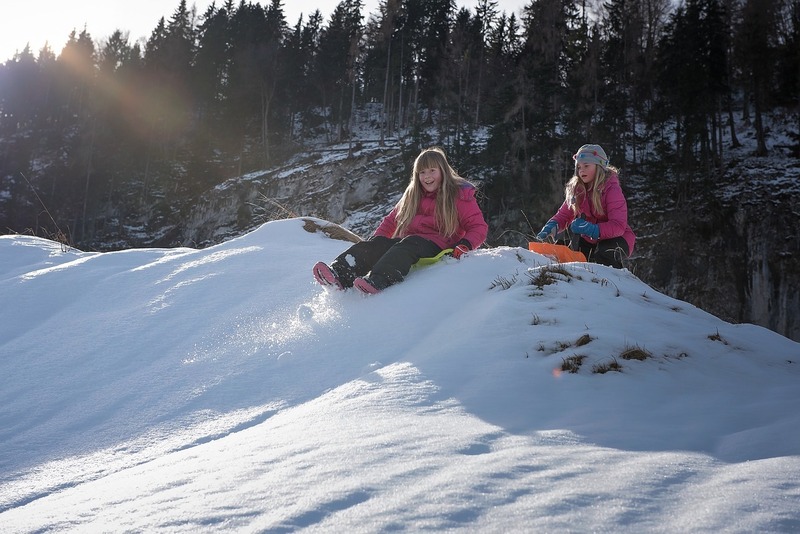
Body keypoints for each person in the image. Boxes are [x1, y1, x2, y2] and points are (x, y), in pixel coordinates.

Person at [313, 147, 489, 294]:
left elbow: (478, 227)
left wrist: (465, 244)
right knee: (381, 244)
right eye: (422, 172)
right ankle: (340, 274)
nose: (427, 176)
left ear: (443, 171)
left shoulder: (459, 195)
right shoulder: (413, 195)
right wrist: (378, 241)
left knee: (408, 244)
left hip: (438, 246)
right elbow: (391, 221)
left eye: (432, 171)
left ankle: (379, 280)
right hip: (408, 242)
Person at [536, 144, 635, 268]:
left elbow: (619, 226)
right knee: (562, 250)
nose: (581, 170)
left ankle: (614, 284)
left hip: (619, 238)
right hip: (590, 238)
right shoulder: (578, 189)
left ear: (599, 167)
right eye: (579, 167)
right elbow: (565, 214)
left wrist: (592, 229)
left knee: (603, 253)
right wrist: (552, 226)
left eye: (586, 166)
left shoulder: (612, 189)